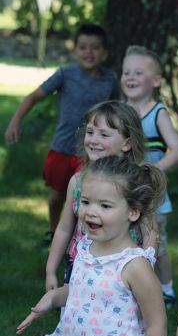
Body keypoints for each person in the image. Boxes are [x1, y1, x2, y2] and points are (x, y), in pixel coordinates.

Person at [17, 155, 167, 336]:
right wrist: (55, 297)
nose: (91, 211)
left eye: (105, 205)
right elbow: (85, 292)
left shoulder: (135, 266)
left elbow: (157, 326)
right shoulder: (85, 248)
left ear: (133, 211)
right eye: (86, 202)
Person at [4, 23, 119, 246]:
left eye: (95, 48)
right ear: (74, 51)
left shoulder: (110, 80)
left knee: (86, 196)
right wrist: (15, 121)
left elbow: (119, 109)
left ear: (104, 53)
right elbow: (33, 97)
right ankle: (53, 231)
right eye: (83, 47)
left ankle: (82, 240)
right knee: (57, 195)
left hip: (92, 151)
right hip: (62, 148)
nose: (89, 52)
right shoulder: (65, 74)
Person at [45, 100, 157, 292]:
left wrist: (145, 265)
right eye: (90, 132)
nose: (93, 140)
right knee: (76, 314)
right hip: (81, 264)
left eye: (104, 134)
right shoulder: (78, 181)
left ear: (127, 143)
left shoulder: (135, 181)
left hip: (122, 267)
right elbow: (64, 229)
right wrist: (50, 270)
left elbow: (151, 232)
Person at [121, 45, 178, 308]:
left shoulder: (157, 113)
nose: (130, 77)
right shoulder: (119, 111)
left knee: (156, 243)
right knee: (125, 241)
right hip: (123, 192)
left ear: (155, 81)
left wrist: (154, 170)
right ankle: (128, 288)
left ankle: (166, 289)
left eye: (138, 72)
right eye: (126, 72)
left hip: (153, 196)